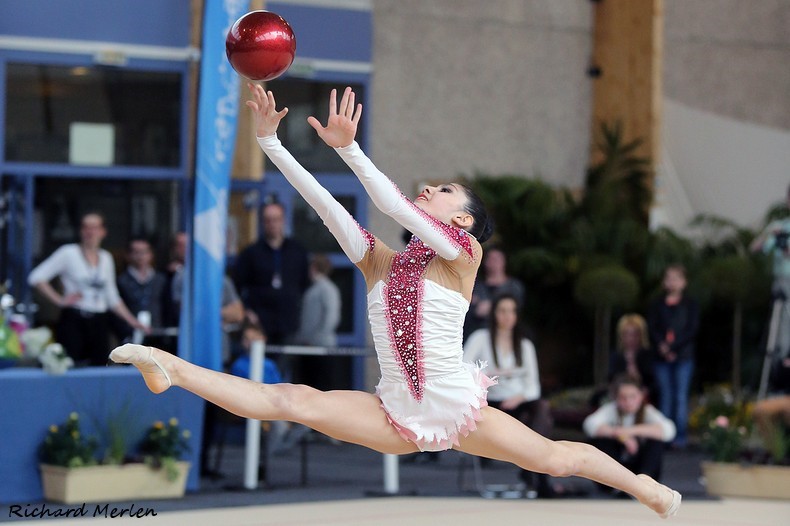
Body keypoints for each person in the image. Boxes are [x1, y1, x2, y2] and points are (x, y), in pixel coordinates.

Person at [110, 85, 680, 518]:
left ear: (461, 218)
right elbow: (329, 211)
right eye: (429, 185)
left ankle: (646, 488)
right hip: (394, 413)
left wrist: (353, 150)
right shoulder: (384, 262)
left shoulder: (464, 253)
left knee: (557, 459)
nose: (427, 189)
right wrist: (269, 144)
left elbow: (399, 208)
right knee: (288, 399)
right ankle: (172, 370)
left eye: (443, 190)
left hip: (459, 407)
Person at [463, 293, 554, 496]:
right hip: (488, 401)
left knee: (541, 409)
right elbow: (464, 368)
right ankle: (536, 470)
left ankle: (535, 469)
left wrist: (519, 398)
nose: (507, 316)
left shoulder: (525, 345)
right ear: (494, 313)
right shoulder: (481, 338)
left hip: (517, 401)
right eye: (502, 311)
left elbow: (533, 385)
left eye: (512, 311)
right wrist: (492, 375)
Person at [28, 212, 146, 365]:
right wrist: (60, 300)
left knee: (100, 364)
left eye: (95, 228)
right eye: (86, 227)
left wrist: (132, 321)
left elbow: (112, 297)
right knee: (70, 364)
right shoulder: (68, 253)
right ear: (81, 231)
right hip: (75, 317)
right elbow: (36, 277)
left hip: (99, 320)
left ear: (103, 232)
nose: (90, 232)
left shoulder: (106, 258)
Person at [233, 202, 310, 346]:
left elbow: (304, 283)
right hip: (259, 322)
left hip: (288, 322)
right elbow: (238, 284)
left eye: (276, 219)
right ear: (263, 222)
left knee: (285, 364)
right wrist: (247, 310)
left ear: (283, 221)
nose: (272, 224)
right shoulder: (251, 253)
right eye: (268, 220)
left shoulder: (297, 251)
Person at [583, 375, 676, 490]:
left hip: (638, 466)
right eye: (623, 398)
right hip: (617, 464)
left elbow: (669, 430)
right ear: (616, 398)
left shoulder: (647, 411)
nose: (628, 402)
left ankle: (645, 484)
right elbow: (590, 425)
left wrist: (630, 431)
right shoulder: (611, 410)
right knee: (600, 441)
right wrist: (621, 436)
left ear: (641, 396)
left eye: (633, 397)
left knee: (656, 443)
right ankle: (612, 484)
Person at [647, 264, 699, 450]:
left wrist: (673, 348)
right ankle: (664, 435)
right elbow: (652, 328)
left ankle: (680, 436)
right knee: (665, 395)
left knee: (680, 396)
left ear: (684, 282)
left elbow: (691, 330)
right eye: (669, 278)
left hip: (683, 356)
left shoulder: (690, 304)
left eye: (676, 278)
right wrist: (662, 346)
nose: (672, 282)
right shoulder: (656, 303)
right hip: (661, 357)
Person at [294, 253, 343, 391]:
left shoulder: (327, 289)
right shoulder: (314, 289)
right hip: (310, 346)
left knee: (322, 387)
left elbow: (331, 318)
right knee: (308, 386)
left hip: (321, 348)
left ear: (314, 267)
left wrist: (316, 339)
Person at [464, 246, 525, 340]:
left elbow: (517, 310)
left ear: (504, 261)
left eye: (497, 259)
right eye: (490, 259)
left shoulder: (513, 287)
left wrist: (492, 307)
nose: (493, 262)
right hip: (476, 333)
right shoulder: (475, 285)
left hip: (504, 334)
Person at [114, 237, 167, 342]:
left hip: (157, 335)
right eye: (136, 252)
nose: (140, 256)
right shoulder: (120, 281)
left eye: (144, 252)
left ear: (151, 254)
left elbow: (166, 307)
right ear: (128, 255)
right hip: (130, 336)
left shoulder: (161, 280)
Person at [610, 314, 657, 404]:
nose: (631, 338)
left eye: (635, 334)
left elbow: (653, 383)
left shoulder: (648, 355)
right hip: (620, 399)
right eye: (626, 334)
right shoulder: (616, 356)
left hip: (645, 399)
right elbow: (612, 379)